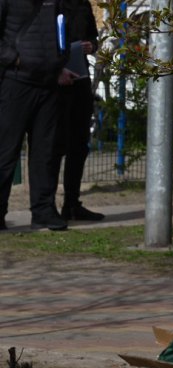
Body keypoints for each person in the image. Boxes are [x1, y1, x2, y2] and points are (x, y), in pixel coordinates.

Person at [0, 0, 72, 231]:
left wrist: (59, 62)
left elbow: (62, 31)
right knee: (5, 151)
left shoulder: (56, 2)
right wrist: (14, 59)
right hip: (15, 82)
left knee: (46, 151)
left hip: (49, 83)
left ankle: (44, 211)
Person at [55, 0, 102, 223]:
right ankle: (45, 206)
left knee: (79, 143)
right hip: (54, 79)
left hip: (79, 75)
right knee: (53, 145)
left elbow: (93, 37)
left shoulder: (82, 4)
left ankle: (72, 203)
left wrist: (91, 46)